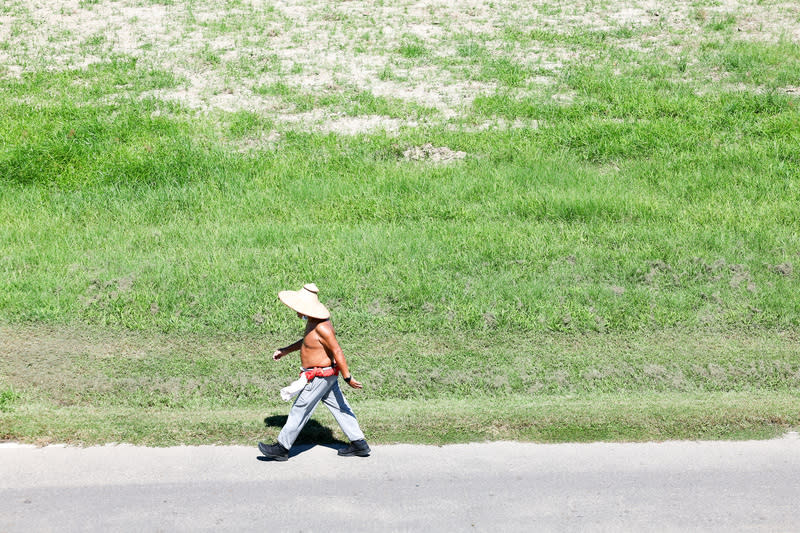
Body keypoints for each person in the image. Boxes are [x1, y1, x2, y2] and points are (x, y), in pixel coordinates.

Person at [258, 283, 370, 461]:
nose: (296, 311)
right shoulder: (313, 322)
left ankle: (282, 448)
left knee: (300, 409)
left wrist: (347, 376)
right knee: (340, 408)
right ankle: (359, 444)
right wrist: (286, 350)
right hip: (326, 378)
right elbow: (307, 342)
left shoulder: (322, 327)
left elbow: (337, 351)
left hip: (319, 376)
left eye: (298, 308)